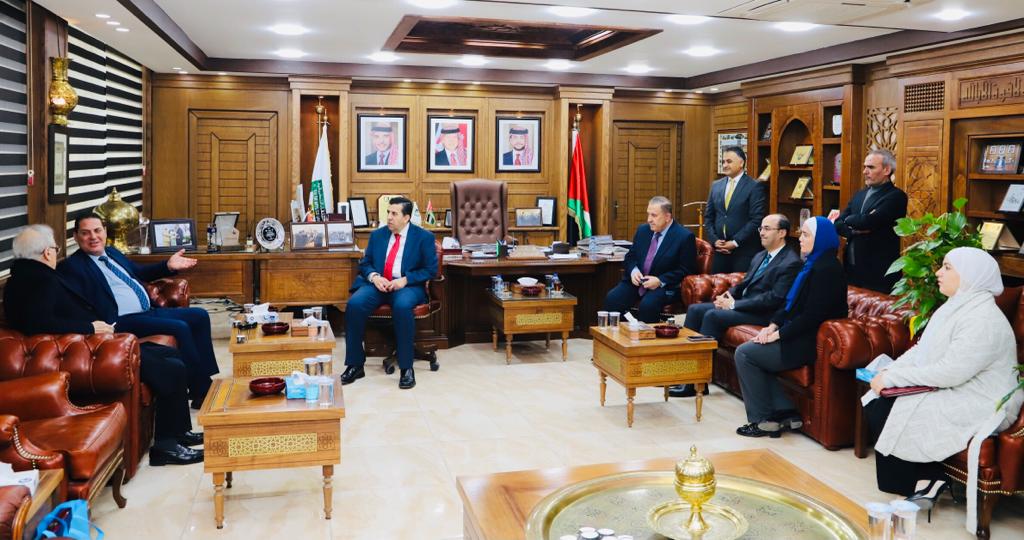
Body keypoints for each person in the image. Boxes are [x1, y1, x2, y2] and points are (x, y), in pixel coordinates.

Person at [5, 225, 203, 466]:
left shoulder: (28, 276)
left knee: (168, 354)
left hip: (87, 346)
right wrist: (90, 327)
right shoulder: (38, 280)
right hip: (83, 353)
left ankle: (179, 433)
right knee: (170, 367)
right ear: (48, 252)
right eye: (55, 249)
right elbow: (39, 323)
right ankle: (166, 446)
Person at [864, 248, 1022, 532]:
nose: (938, 272)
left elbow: (951, 371)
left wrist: (894, 380)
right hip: (959, 385)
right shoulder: (954, 306)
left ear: (970, 276)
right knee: (878, 400)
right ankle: (929, 477)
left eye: (947, 267)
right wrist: (890, 373)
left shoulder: (983, 318)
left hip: (984, 399)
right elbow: (921, 351)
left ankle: (925, 480)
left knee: (893, 406)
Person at [59, 214, 218, 408]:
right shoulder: (73, 267)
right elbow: (75, 305)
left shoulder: (111, 252)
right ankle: (201, 390)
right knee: (180, 327)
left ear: (105, 232)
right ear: (76, 237)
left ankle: (205, 375)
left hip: (146, 311)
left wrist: (168, 265)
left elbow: (139, 272)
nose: (93, 237)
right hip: (120, 320)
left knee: (199, 316)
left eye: (97, 230)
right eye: (85, 233)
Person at [732, 216, 848, 438]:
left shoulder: (828, 269)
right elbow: (790, 304)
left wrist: (778, 335)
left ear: (821, 239)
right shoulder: (812, 264)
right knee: (754, 351)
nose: (800, 238)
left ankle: (763, 420)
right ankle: (786, 412)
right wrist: (772, 325)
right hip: (798, 334)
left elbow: (812, 316)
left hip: (809, 341)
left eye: (806, 235)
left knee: (746, 354)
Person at [669, 214, 802, 398]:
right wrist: (728, 295)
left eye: (767, 229)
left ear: (782, 233)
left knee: (713, 316)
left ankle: (697, 382)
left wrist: (733, 304)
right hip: (745, 306)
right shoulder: (761, 255)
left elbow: (773, 299)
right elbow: (744, 283)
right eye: (761, 228)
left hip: (763, 314)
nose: (761, 233)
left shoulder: (791, 262)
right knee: (695, 310)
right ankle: (685, 373)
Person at [341, 196, 438, 389]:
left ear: (406, 218)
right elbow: (365, 264)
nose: (389, 217)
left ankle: (406, 369)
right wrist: (375, 277)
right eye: (388, 213)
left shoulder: (423, 237)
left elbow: (430, 270)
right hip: (378, 285)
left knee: (402, 306)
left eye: (394, 213)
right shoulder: (378, 235)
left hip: (407, 286)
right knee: (354, 305)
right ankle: (355, 365)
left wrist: (405, 280)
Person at [603, 196, 696, 323]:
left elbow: (687, 270)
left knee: (648, 305)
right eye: (648, 214)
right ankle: (621, 333)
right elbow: (630, 256)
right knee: (613, 299)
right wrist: (634, 271)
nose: (649, 220)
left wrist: (660, 280)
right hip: (638, 282)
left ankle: (645, 335)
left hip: (664, 286)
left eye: (654, 215)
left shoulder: (684, 237)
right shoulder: (643, 230)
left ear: (667, 217)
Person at [834, 149, 908, 293]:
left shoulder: (896, 196)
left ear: (887, 170)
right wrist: (853, 230)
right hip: (851, 269)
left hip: (879, 273)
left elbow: (868, 221)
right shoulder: (860, 194)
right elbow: (838, 223)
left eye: (871, 167)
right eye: (864, 167)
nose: (865, 172)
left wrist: (850, 220)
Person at [704, 146, 767, 273]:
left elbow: (756, 219)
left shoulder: (754, 186)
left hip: (744, 251)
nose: (725, 165)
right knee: (716, 284)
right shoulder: (716, 186)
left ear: (741, 163)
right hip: (719, 251)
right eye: (723, 161)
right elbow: (709, 217)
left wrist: (735, 242)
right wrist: (715, 240)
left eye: (729, 161)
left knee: (739, 285)